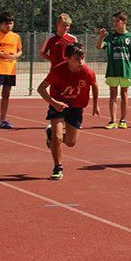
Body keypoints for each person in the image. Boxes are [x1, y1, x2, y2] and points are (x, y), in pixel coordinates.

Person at [38, 43, 99, 180]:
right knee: (58, 138)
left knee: (71, 142)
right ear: (67, 58)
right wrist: (54, 103)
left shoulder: (87, 72)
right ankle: (57, 167)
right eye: (77, 59)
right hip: (58, 105)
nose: (81, 61)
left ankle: (51, 136)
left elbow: (95, 85)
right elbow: (41, 88)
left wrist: (95, 105)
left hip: (76, 107)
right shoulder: (58, 70)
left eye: (83, 58)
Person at [96, 11, 131, 129]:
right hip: (113, 70)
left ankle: (123, 120)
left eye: (117, 21)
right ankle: (112, 121)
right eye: (114, 21)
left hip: (125, 70)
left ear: (124, 22)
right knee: (113, 94)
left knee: (124, 94)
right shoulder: (110, 37)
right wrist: (101, 37)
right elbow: (99, 47)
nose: (115, 23)